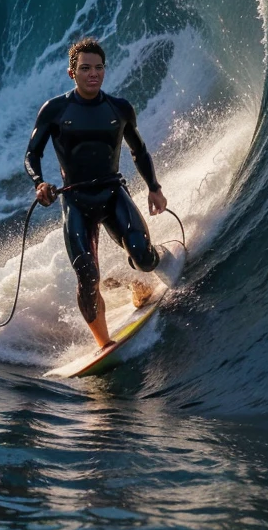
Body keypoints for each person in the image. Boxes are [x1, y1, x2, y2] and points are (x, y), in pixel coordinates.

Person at [24, 37, 176, 350]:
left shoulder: (118, 108)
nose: (93, 73)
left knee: (144, 257)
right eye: (85, 68)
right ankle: (104, 342)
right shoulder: (55, 110)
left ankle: (143, 268)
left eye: (98, 67)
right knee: (87, 275)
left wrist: (154, 189)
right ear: (72, 72)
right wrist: (39, 182)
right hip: (77, 202)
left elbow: (139, 151)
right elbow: (31, 154)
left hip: (112, 193)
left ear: (104, 70)